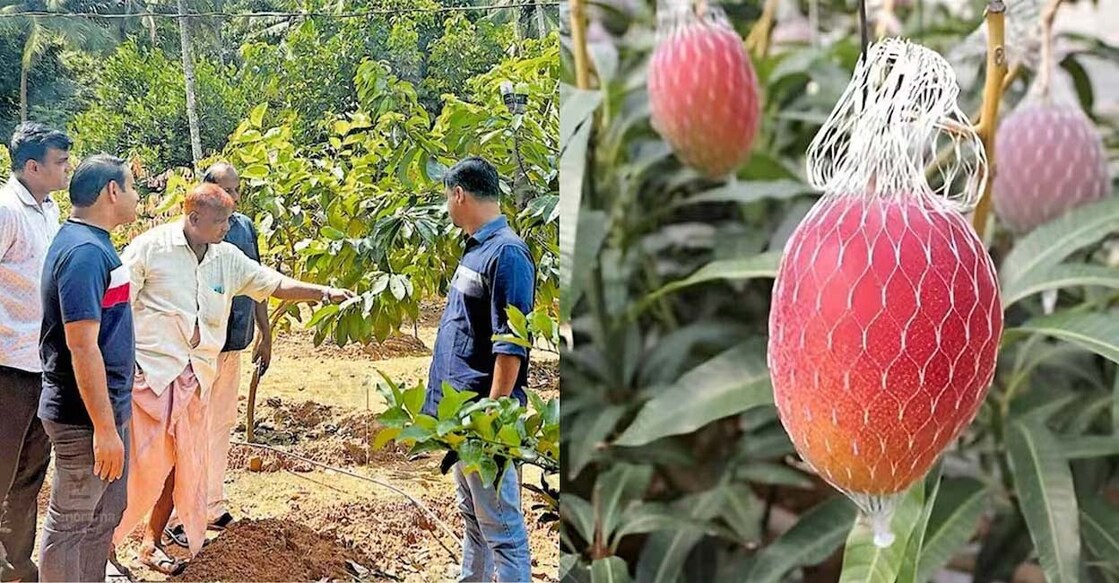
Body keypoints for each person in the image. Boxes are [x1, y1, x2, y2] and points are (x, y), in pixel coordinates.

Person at [111, 183, 355, 574]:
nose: (229, 226)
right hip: (149, 378)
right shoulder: (150, 248)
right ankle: (104, 547)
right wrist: (123, 366)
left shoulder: (226, 258)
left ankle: (150, 542)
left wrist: (324, 293)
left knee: (180, 465)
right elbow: (117, 305)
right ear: (193, 218)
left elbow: (273, 284)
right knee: (134, 467)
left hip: (194, 379)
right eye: (220, 220)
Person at [422, 157, 536, 583]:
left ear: (459, 194)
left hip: (482, 417)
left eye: (446, 198)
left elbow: (511, 343)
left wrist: (493, 411)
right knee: (474, 516)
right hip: (461, 415)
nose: (446, 207)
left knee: (502, 529)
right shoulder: (479, 248)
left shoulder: (507, 253)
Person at [37, 154, 140, 583]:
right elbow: (82, 347)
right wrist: (103, 428)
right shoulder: (83, 253)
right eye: (132, 186)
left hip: (105, 412)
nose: (137, 196)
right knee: (72, 523)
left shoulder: (94, 244)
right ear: (112, 191)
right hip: (85, 419)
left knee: (104, 515)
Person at [163, 162, 270, 548]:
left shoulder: (242, 228)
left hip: (233, 344)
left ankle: (212, 503)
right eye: (227, 191)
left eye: (238, 191)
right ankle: (177, 514)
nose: (235, 199)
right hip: (195, 352)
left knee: (221, 424)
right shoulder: (188, 233)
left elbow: (258, 282)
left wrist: (265, 332)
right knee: (189, 430)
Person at [0, 122, 71, 583]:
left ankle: (17, 565)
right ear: (32, 167)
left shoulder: (49, 208)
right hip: (8, 364)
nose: (67, 169)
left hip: (42, 363)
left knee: (29, 473)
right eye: (61, 162)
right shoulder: (6, 210)